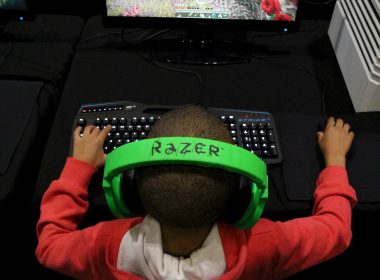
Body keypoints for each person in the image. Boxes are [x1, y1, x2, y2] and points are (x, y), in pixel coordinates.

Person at [35, 106, 357, 279]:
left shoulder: (107, 246)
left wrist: (78, 168)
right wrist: (335, 161)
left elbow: (49, 246)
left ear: (129, 190)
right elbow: (336, 231)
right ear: (241, 201)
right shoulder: (262, 246)